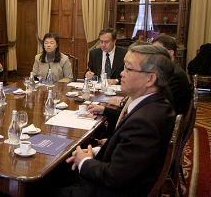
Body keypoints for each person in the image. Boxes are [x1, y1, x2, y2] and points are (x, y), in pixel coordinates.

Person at [55, 45, 176, 196]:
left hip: (105, 191)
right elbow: (128, 155)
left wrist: (85, 162)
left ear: (150, 79)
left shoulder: (145, 123)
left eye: (128, 69)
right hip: (113, 178)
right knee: (60, 166)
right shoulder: (154, 104)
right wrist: (96, 151)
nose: (121, 73)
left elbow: (115, 178)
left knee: (42, 184)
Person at [152, 34, 191, 114]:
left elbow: (160, 100)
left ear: (170, 53)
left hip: (169, 117)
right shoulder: (170, 68)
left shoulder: (174, 74)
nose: (153, 55)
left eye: (157, 50)